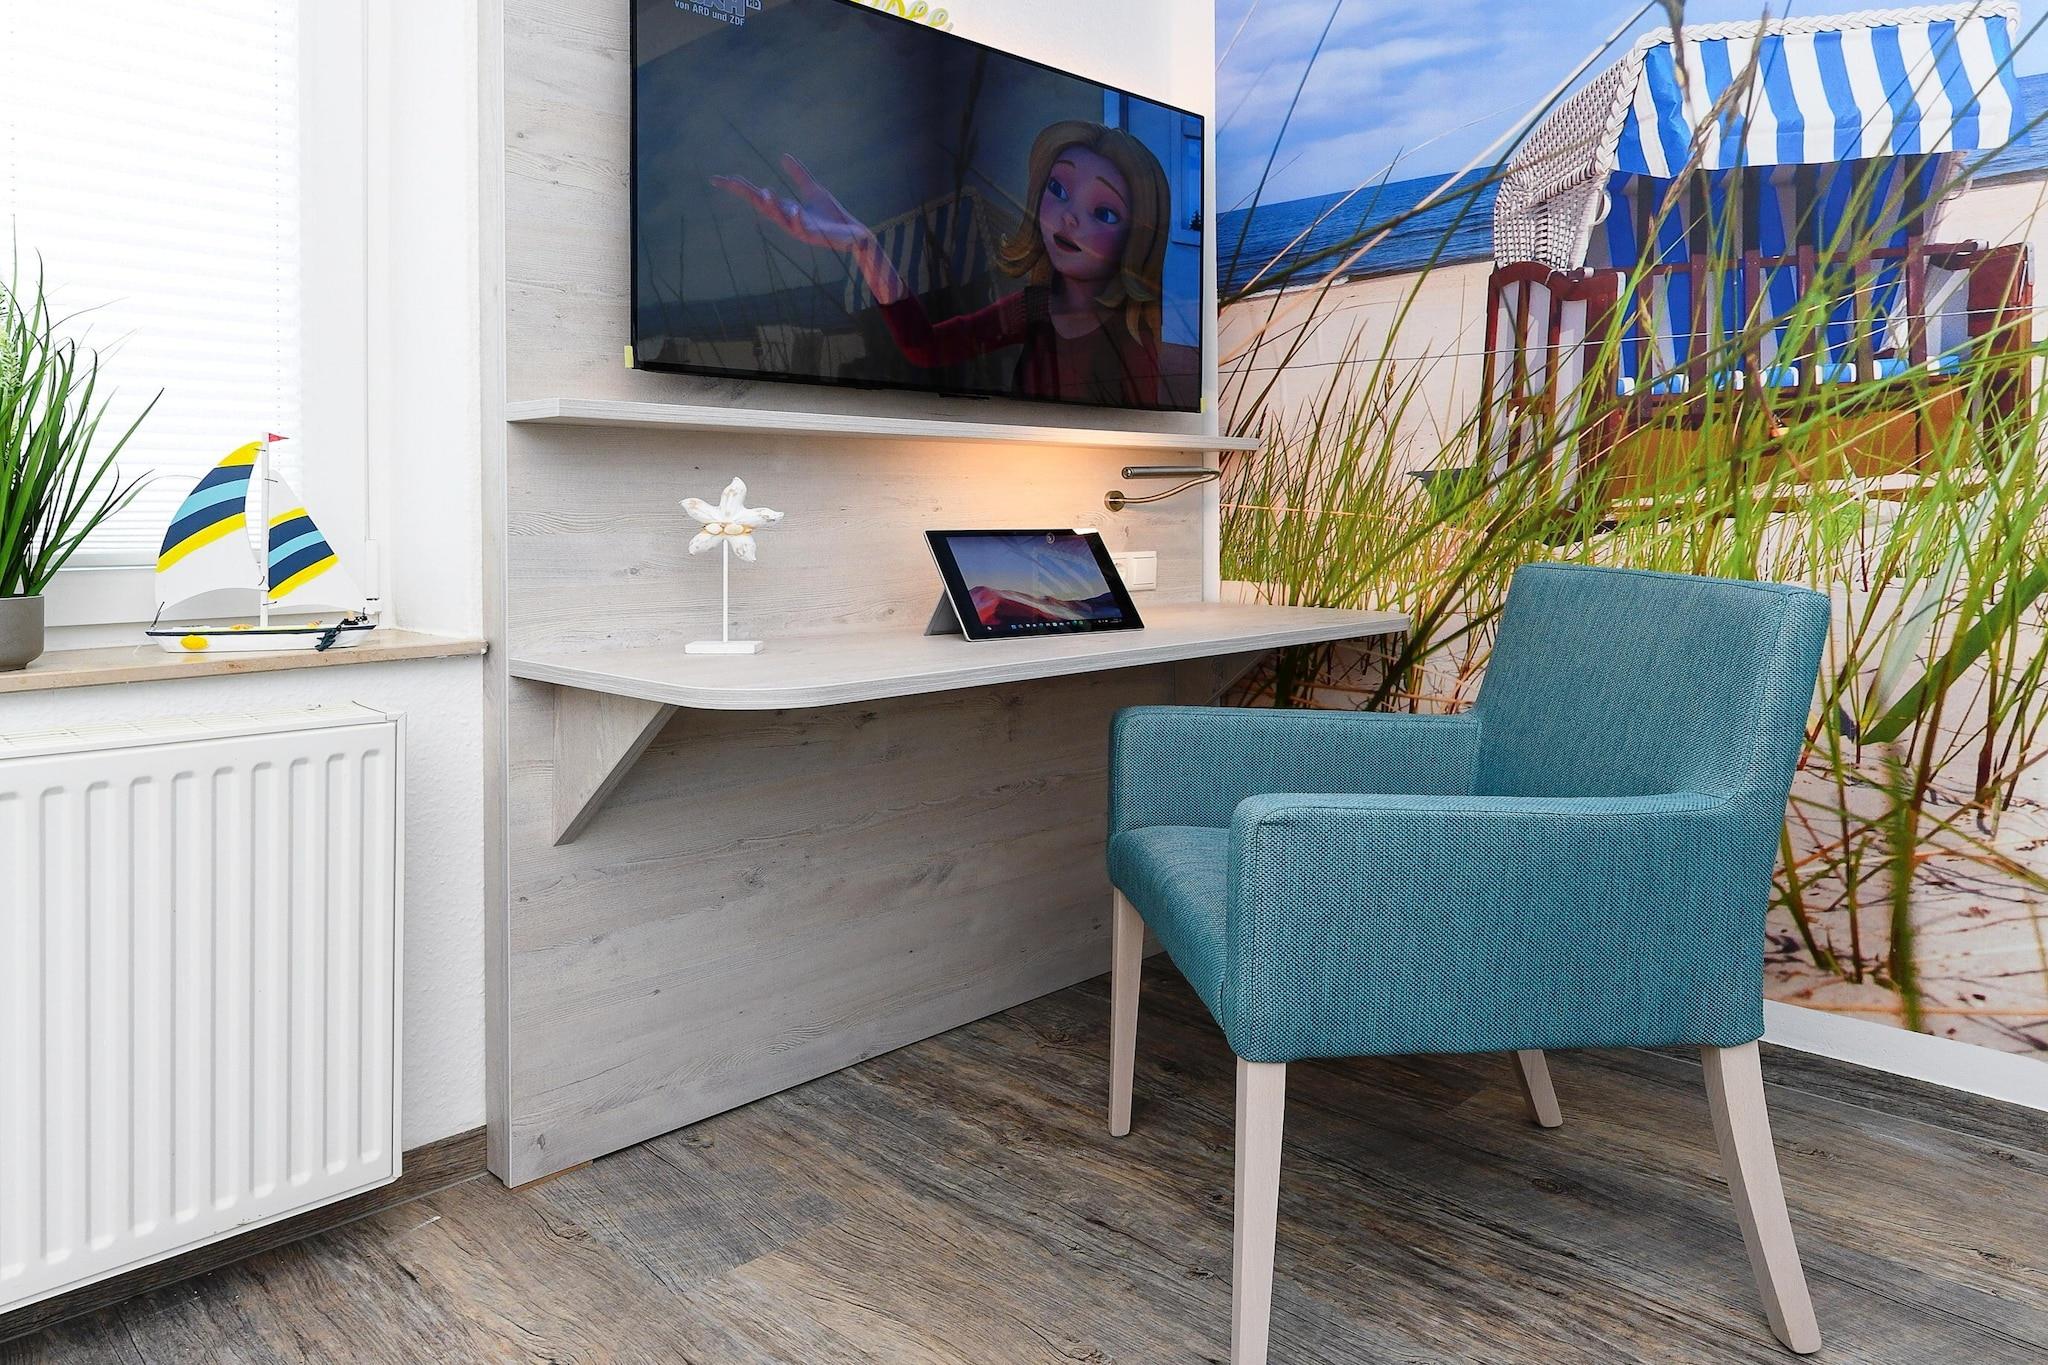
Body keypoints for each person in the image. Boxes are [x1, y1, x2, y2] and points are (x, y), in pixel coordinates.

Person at [714, 120, 1191, 408]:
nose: (1068, 217)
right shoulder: (1034, 309)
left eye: (1103, 212)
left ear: (1137, 236)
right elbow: (926, 346)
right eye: (1058, 189)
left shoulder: (1132, 330)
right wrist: (865, 246)